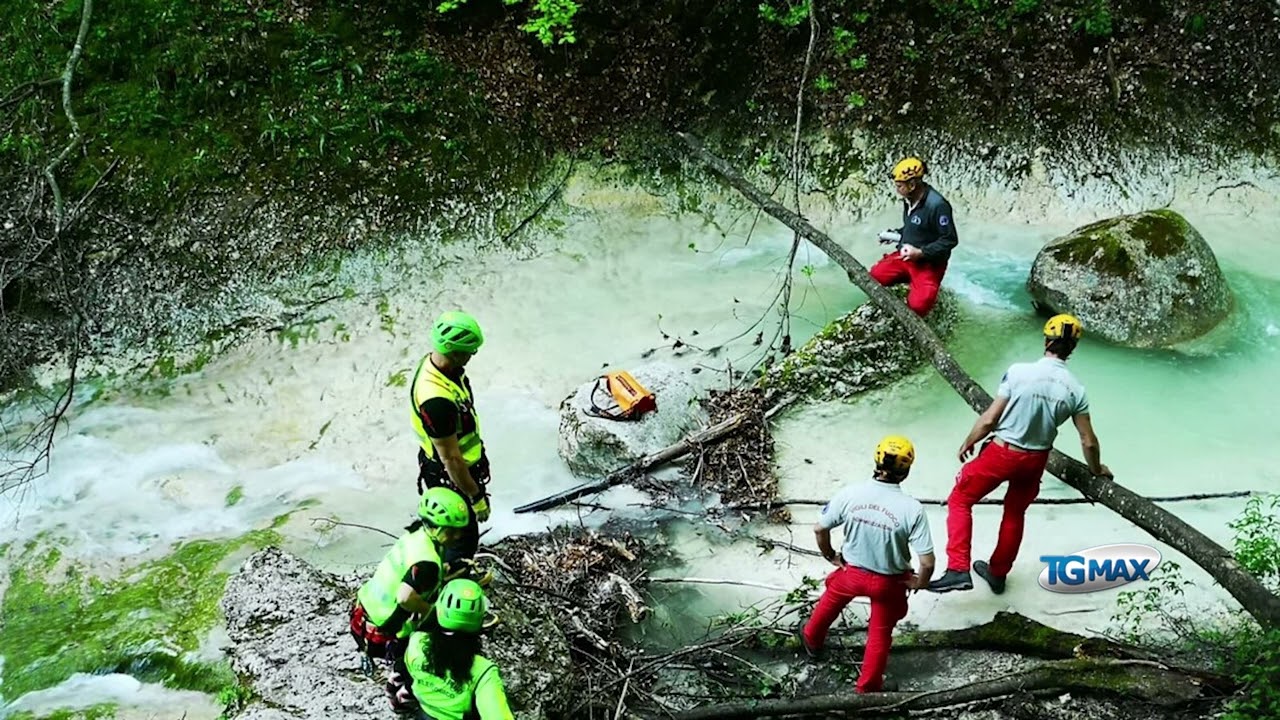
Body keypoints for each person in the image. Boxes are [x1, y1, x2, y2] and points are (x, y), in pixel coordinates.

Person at [928, 314, 1113, 594]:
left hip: (1003, 454)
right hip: (1036, 460)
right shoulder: (1076, 390)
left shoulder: (1018, 372)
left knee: (961, 500)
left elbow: (990, 419)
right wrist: (1097, 469)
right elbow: (1088, 440)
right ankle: (998, 573)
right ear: (1072, 348)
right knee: (1014, 513)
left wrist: (969, 440)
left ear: (1046, 340)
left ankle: (957, 568)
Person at [800, 435, 936, 693]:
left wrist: (830, 556)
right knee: (880, 632)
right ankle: (868, 686)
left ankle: (812, 641)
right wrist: (920, 581)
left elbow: (819, 529)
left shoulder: (851, 493)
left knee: (830, 600)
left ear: (876, 462)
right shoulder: (912, 509)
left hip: (851, 573)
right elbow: (927, 562)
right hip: (889, 582)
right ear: (906, 472)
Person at [349, 486, 472, 714]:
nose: (457, 537)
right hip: (386, 630)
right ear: (438, 528)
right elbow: (405, 596)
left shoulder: (415, 535)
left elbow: (414, 572)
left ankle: (398, 680)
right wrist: (432, 611)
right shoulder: (427, 562)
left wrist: (446, 571)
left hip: (363, 614)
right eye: (452, 531)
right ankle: (404, 697)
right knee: (426, 654)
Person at [411, 310, 492, 569]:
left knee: (453, 535)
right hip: (450, 476)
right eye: (470, 351)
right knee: (462, 539)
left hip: (455, 469)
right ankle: (452, 585)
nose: (473, 356)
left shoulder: (441, 368)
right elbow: (451, 458)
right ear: (455, 352)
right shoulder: (436, 400)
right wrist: (476, 497)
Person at [405, 579, 514, 720]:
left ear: (438, 612)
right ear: (481, 622)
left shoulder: (416, 642)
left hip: (424, 712)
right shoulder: (484, 672)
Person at [869, 157, 958, 316]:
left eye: (899, 186)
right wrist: (897, 234)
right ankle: (909, 281)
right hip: (906, 257)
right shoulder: (909, 200)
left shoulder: (937, 206)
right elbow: (916, 227)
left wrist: (920, 253)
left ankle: (921, 287)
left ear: (912, 185)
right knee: (874, 277)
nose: (897, 190)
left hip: (928, 264)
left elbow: (949, 240)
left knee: (918, 307)